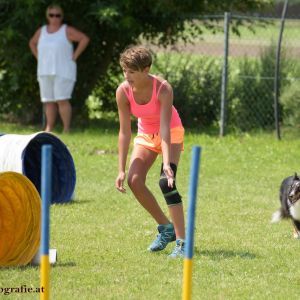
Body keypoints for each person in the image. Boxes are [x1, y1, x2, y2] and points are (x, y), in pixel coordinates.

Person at [115, 46, 186, 257]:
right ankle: (166, 228)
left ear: (146, 70)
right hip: (146, 135)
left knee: (166, 181)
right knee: (134, 180)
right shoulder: (123, 91)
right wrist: (120, 169)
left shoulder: (163, 89)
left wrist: (166, 163)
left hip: (170, 132)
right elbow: (124, 132)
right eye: (124, 71)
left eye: (132, 72)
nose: (127, 76)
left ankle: (182, 243)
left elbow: (165, 128)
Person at [29, 4, 89, 133]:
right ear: (47, 16)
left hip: (63, 70)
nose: (54, 18)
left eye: (57, 15)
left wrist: (75, 55)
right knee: (48, 100)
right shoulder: (42, 31)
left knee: (62, 99)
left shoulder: (66, 30)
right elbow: (32, 43)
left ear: (61, 17)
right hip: (45, 71)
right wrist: (38, 57)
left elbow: (84, 39)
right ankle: (49, 128)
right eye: (51, 15)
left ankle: (66, 128)